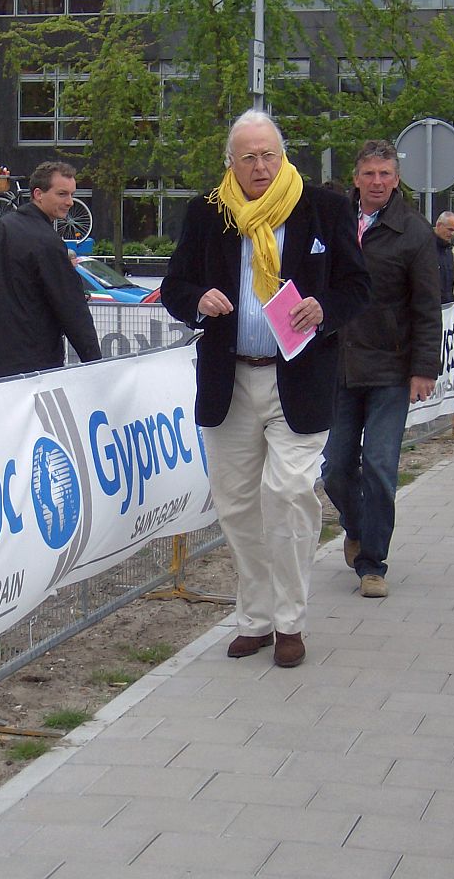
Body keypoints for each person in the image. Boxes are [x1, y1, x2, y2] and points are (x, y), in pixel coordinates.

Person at [161, 109, 370, 667]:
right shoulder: (209, 213)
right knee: (237, 507)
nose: (259, 165)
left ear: (283, 156)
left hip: (297, 379)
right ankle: (254, 616)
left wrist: (324, 308)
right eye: (248, 156)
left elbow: (357, 284)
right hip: (229, 379)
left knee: (289, 494)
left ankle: (291, 621)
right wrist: (197, 301)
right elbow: (175, 284)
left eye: (268, 154)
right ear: (230, 162)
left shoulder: (323, 208)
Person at [321, 139, 442, 599]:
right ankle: (355, 526)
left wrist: (423, 368)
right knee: (334, 468)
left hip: (391, 368)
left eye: (385, 175)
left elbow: (428, 305)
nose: (377, 182)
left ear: (396, 179)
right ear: (356, 177)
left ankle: (372, 563)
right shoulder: (332, 219)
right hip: (338, 365)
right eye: (369, 173)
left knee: (379, 465)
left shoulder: (413, 231)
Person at [0, 160, 101, 380]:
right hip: (35, 362)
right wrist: (97, 364)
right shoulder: (46, 241)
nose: (70, 202)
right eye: (62, 194)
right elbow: (71, 307)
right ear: (38, 194)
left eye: (72, 194)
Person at [433, 210, 454, 304]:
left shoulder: (448, 251)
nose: (452, 234)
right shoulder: (426, 248)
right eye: (450, 229)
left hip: (447, 305)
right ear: (439, 225)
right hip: (431, 306)